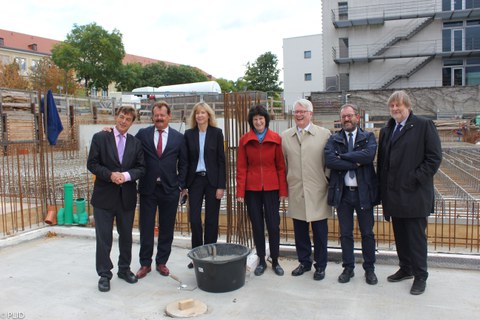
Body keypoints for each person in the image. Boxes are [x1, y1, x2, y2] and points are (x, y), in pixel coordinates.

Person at [377, 90, 442, 295]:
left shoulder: (423, 126)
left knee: (415, 238)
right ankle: (406, 268)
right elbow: (383, 162)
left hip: (414, 194)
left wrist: (414, 178)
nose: (395, 109)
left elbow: (434, 158)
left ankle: (421, 275)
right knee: (401, 236)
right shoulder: (388, 129)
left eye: (399, 106)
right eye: (392, 106)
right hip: (394, 195)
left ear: (408, 106)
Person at [87, 106, 146, 292]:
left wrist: (126, 176)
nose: (123, 121)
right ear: (116, 117)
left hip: (126, 198)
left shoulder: (135, 144)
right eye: (121, 117)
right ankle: (104, 274)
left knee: (126, 236)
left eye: (128, 119)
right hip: (104, 198)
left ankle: (124, 269)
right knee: (104, 238)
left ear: (132, 122)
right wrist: (110, 175)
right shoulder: (100, 137)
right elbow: (92, 164)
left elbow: (141, 168)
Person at [324, 104, 379, 285]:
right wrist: (355, 162)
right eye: (343, 117)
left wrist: (344, 157)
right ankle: (348, 268)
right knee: (345, 234)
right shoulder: (334, 139)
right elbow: (330, 161)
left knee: (367, 233)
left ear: (357, 117)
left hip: (364, 192)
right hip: (343, 193)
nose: (346, 119)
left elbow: (368, 156)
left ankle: (369, 269)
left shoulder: (368, 137)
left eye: (350, 116)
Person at [134, 101, 188, 279]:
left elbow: (184, 164)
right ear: (152, 116)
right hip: (148, 189)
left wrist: (180, 185)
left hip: (169, 190)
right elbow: (129, 147)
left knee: (166, 228)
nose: (159, 118)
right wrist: (109, 132)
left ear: (168, 116)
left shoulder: (178, 138)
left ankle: (161, 262)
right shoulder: (143, 134)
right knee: (146, 227)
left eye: (162, 115)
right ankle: (145, 263)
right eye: (156, 115)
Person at [281, 98, 331, 281]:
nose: (299, 115)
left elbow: (329, 162)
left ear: (311, 114)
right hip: (297, 190)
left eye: (303, 111)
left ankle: (321, 265)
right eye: (296, 112)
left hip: (318, 190)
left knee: (320, 232)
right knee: (300, 231)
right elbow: (284, 164)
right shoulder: (286, 136)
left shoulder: (324, 134)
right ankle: (304, 262)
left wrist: (325, 179)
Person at [236, 105, 288, 276]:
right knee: (257, 226)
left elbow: (281, 167)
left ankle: (275, 259)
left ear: (266, 120)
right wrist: (240, 192)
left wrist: (283, 191)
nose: (258, 122)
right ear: (251, 121)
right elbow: (241, 167)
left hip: (272, 188)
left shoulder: (276, 139)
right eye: (255, 119)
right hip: (252, 189)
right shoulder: (245, 140)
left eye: (261, 119)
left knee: (273, 226)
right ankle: (260, 259)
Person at [184, 102, 226, 269]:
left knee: (211, 220)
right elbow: (185, 161)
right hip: (195, 181)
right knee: (194, 219)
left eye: (203, 112)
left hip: (212, 181)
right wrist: (184, 185)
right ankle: (197, 255)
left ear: (209, 115)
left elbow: (221, 161)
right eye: (197, 113)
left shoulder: (217, 133)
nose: (200, 115)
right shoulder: (189, 134)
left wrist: (221, 186)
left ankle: (209, 253)